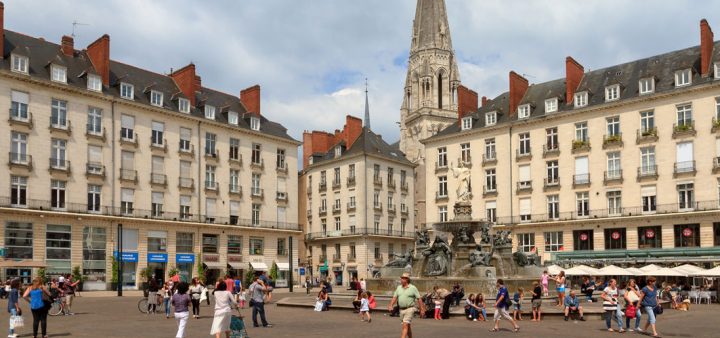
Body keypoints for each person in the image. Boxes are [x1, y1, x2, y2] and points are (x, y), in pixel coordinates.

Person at [388, 273, 425, 338]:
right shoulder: (399, 287)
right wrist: (390, 305)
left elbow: (419, 299)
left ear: (407, 279)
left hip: (409, 309)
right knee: (407, 326)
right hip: (401, 310)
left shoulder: (413, 288)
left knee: (405, 326)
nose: (401, 280)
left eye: (403, 278)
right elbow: (394, 297)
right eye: (401, 278)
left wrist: (422, 309)